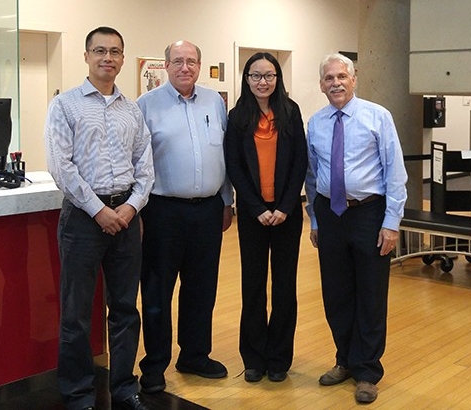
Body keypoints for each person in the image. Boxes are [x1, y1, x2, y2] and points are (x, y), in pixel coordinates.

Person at [45, 26, 154, 410]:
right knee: (75, 313)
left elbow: (145, 165)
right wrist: (99, 211)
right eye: (100, 51)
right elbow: (61, 166)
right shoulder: (66, 105)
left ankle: (124, 387)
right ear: (87, 56)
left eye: (115, 52)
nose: (108, 58)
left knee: (125, 309)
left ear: (123, 58)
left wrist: (130, 207)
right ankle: (78, 394)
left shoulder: (132, 109)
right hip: (82, 221)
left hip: (125, 218)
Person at [304, 53, 407, 404]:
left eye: (341, 76)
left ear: (354, 78)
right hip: (330, 216)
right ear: (321, 85)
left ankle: (367, 370)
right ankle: (344, 360)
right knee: (336, 294)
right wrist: (315, 219)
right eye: (329, 78)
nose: (335, 83)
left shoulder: (378, 117)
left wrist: (391, 224)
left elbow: (395, 173)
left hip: (368, 214)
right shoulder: (316, 123)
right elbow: (311, 174)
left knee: (371, 294)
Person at [136, 40, 233, 394]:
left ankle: (194, 355)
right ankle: (154, 364)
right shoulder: (145, 106)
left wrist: (226, 201)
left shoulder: (214, 103)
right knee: (158, 290)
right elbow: (138, 163)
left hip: (208, 210)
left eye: (191, 61)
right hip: (163, 211)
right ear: (166, 65)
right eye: (178, 61)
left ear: (200, 64)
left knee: (201, 288)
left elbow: (224, 154)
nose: (185, 68)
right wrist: (140, 211)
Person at [224, 52, 307, 383]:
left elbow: (300, 161)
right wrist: (257, 208)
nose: (263, 82)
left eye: (269, 76)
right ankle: (254, 358)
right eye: (256, 76)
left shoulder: (291, 112)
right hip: (252, 215)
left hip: (287, 214)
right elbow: (234, 166)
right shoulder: (237, 116)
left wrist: (285, 206)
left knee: (285, 287)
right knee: (253, 286)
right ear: (247, 79)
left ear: (278, 79)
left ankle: (279, 359)